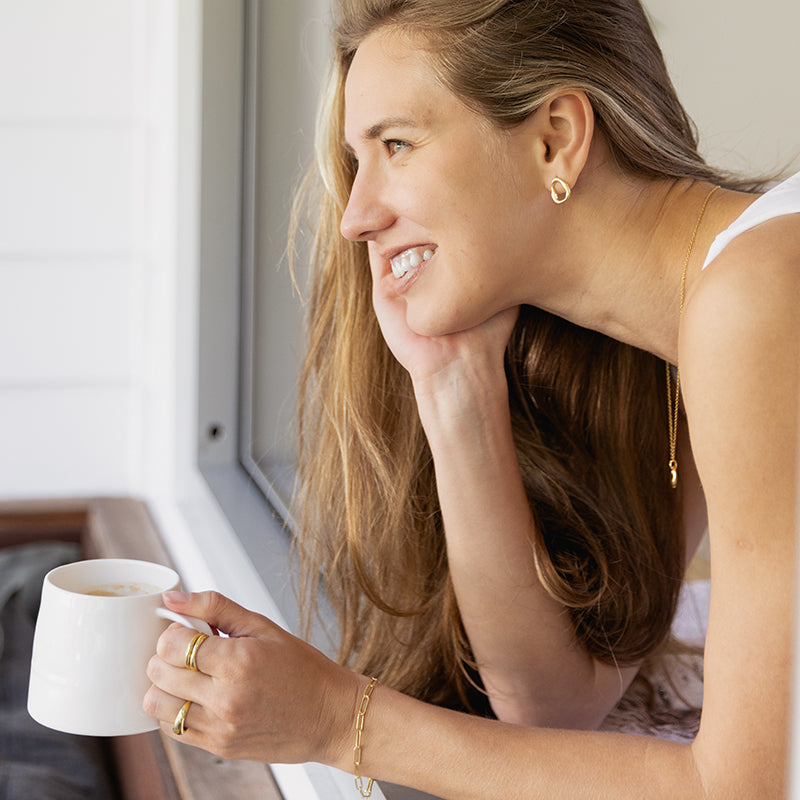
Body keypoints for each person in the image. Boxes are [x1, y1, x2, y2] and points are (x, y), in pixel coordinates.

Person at [144, 0, 800, 796]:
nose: (356, 218)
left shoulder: (758, 302)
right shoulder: (712, 318)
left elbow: (741, 789)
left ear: (555, 137)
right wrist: (450, 377)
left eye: (396, 145)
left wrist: (335, 720)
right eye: (358, 161)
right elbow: (554, 708)